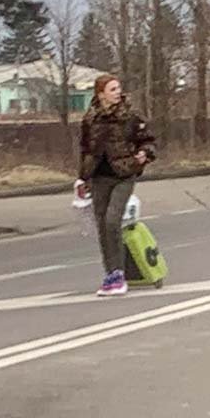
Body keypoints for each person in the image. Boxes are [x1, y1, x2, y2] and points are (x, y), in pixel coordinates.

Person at [77, 74, 157, 297]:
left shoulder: (130, 116)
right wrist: (82, 177)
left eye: (118, 89)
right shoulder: (90, 119)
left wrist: (144, 155)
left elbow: (148, 139)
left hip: (124, 174)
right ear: (100, 93)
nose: (117, 93)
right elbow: (85, 149)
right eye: (112, 89)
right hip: (98, 177)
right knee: (102, 225)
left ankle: (120, 274)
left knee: (113, 219)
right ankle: (110, 273)